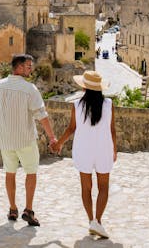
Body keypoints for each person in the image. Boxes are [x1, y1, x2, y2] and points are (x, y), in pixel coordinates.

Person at [0, 54, 58, 226]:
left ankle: (12, 209)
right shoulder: (29, 89)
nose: (31, 69)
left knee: (10, 172)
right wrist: (52, 137)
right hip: (25, 138)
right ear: (18, 67)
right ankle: (28, 209)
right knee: (31, 172)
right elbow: (42, 115)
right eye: (28, 66)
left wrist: (2, 130)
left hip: (5, 139)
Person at [54, 70, 117, 238]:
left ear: (84, 87)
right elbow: (112, 130)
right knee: (103, 188)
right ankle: (98, 221)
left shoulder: (76, 105)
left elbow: (71, 129)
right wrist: (114, 149)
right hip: (104, 148)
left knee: (86, 188)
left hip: (83, 150)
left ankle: (91, 221)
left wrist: (58, 143)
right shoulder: (109, 104)